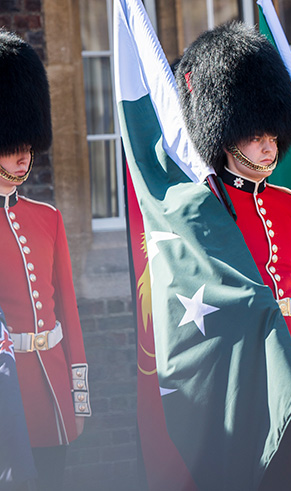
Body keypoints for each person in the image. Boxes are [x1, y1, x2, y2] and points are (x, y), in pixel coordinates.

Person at [175, 22, 291, 488]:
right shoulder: (207, 205)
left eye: (273, 136)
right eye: (256, 135)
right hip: (241, 363)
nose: (269, 146)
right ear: (227, 135)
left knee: (288, 474)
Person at [0, 30, 89, 491]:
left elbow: (68, 312)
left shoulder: (47, 218)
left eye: (27, 146)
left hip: (54, 387)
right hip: (10, 397)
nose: (24, 156)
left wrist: (78, 389)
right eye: (13, 145)